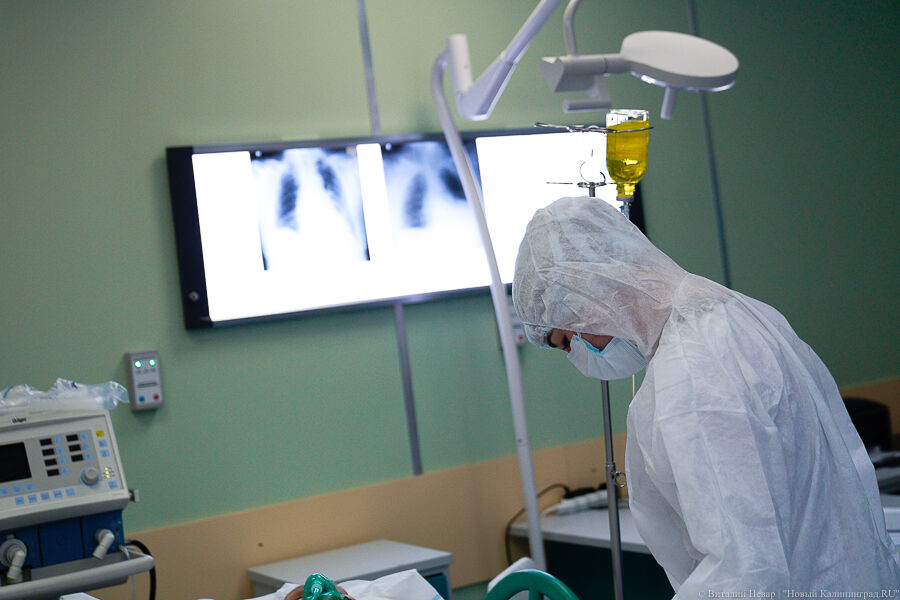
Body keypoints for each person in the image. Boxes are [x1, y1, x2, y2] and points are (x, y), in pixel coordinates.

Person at [512, 196, 900, 596]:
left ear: (582, 292)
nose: (578, 356)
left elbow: (744, 571)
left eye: (565, 341)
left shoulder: (691, 374)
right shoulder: (735, 312)